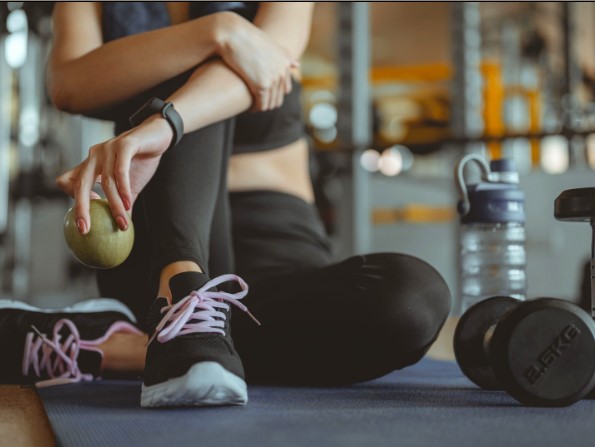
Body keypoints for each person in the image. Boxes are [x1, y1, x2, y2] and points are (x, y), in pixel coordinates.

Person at [0, 2, 451, 407]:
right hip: (155, 259)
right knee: (183, 59)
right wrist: (218, 30)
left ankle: (128, 349)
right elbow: (69, 84)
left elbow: (267, 62)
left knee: (411, 301)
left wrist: (165, 124)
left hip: (280, 266)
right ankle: (184, 299)